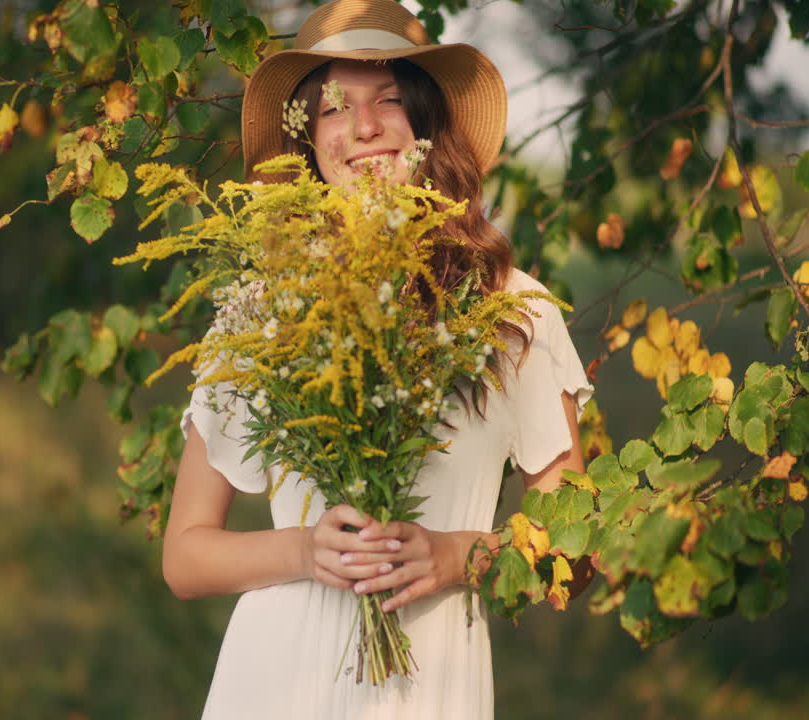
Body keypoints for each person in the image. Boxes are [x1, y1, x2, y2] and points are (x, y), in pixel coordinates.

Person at [161, 1, 593, 717]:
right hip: (273, 687)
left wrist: (456, 556)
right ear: (308, 140)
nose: (364, 128)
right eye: (334, 107)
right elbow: (185, 556)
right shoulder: (266, 312)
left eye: (389, 100)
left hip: (432, 693)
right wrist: (304, 552)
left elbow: (577, 554)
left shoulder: (512, 312)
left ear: (424, 125)